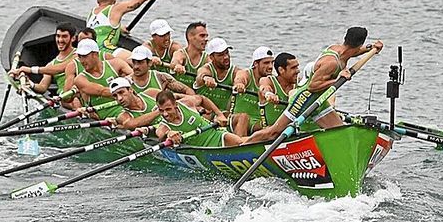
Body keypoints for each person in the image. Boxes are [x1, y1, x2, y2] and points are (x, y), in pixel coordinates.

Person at [244, 28, 383, 144]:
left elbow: (354, 51)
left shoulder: (340, 49)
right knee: (274, 132)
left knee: (340, 132)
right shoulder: (332, 62)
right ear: (358, 44)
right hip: (304, 99)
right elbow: (313, 86)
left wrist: (371, 48)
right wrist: (338, 79)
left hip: (320, 101)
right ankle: (244, 145)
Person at [86, 0, 179, 52]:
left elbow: (102, 29)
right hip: (105, 51)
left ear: (98, 0)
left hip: (89, 52)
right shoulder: (114, 8)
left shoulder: (91, 14)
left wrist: (119, 28)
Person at [109, 77, 224, 130]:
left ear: (130, 90)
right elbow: (133, 124)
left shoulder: (151, 93)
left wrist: (191, 103)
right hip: (166, 133)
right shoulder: (123, 116)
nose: (119, 98)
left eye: (121, 92)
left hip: (180, 120)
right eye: (115, 96)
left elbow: (175, 97)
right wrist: (161, 111)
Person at [194, 37, 254, 136]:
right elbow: (201, 75)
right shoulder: (206, 69)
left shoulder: (234, 71)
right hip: (205, 113)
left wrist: (239, 84)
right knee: (207, 114)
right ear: (211, 57)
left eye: (227, 53)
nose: (226, 57)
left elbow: (240, 76)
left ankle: (239, 146)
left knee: (243, 117)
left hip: (224, 115)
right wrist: (206, 78)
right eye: (220, 55)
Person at [151, 90, 247, 147]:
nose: (165, 114)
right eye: (161, 110)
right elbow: (160, 133)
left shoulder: (186, 103)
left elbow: (202, 99)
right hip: (201, 150)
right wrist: (169, 134)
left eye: (168, 109)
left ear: (176, 104)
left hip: (216, 136)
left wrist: (219, 114)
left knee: (240, 142)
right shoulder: (163, 126)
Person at [12, 22, 78, 103]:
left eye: (64, 36)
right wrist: (30, 84)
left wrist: (30, 70)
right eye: (58, 36)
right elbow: (42, 87)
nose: (60, 40)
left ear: (73, 38)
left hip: (78, 94)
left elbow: (61, 68)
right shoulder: (51, 65)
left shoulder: (79, 54)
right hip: (64, 98)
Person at [70, 38, 132, 119]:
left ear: (95, 54)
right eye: (80, 56)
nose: (82, 61)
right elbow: (102, 91)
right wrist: (125, 90)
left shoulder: (116, 63)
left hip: (126, 107)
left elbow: (135, 75)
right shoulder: (80, 79)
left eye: (85, 56)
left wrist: (130, 79)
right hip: (105, 113)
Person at [128, 45, 193, 95]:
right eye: (134, 62)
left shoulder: (162, 78)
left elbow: (188, 91)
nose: (136, 66)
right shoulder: (127, 82)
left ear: (150, 63)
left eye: (140, 62)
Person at [169, 21, 209, 87]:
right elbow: (175, 61)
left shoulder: (207, 58)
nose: (206, 39)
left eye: (206, 36)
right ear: (190, 37)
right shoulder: (180, 54)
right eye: (202, 36)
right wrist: (177, 65)